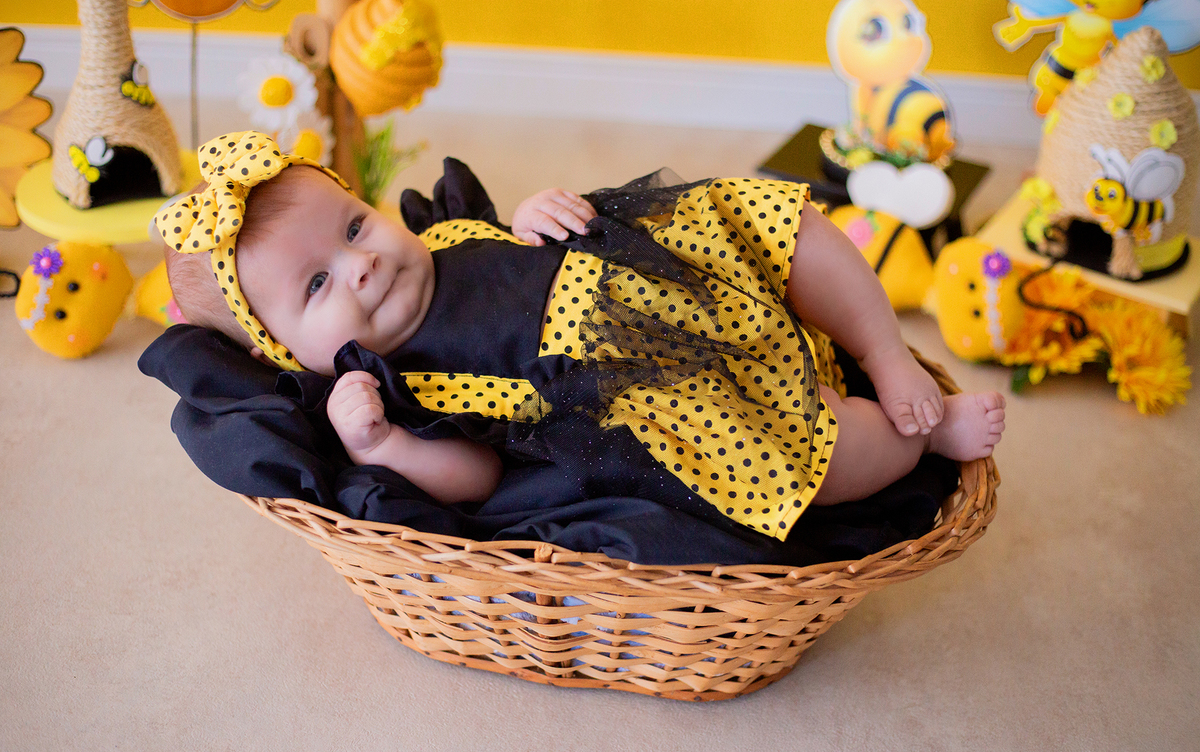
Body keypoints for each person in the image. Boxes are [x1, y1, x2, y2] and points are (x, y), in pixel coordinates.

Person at [157, 131, 1003, 543]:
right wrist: (382, 447)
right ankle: (914, 440)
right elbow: (476, 474)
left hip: (671, 274)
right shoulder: (397, 382)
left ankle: (885, 354)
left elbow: (510, 246)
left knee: (769, 218)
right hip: (648, 393)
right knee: (788, 467)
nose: (360, 266)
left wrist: (530, 216)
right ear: (288, 354)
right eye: (315, 287)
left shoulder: (444, 238)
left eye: (351, 227)